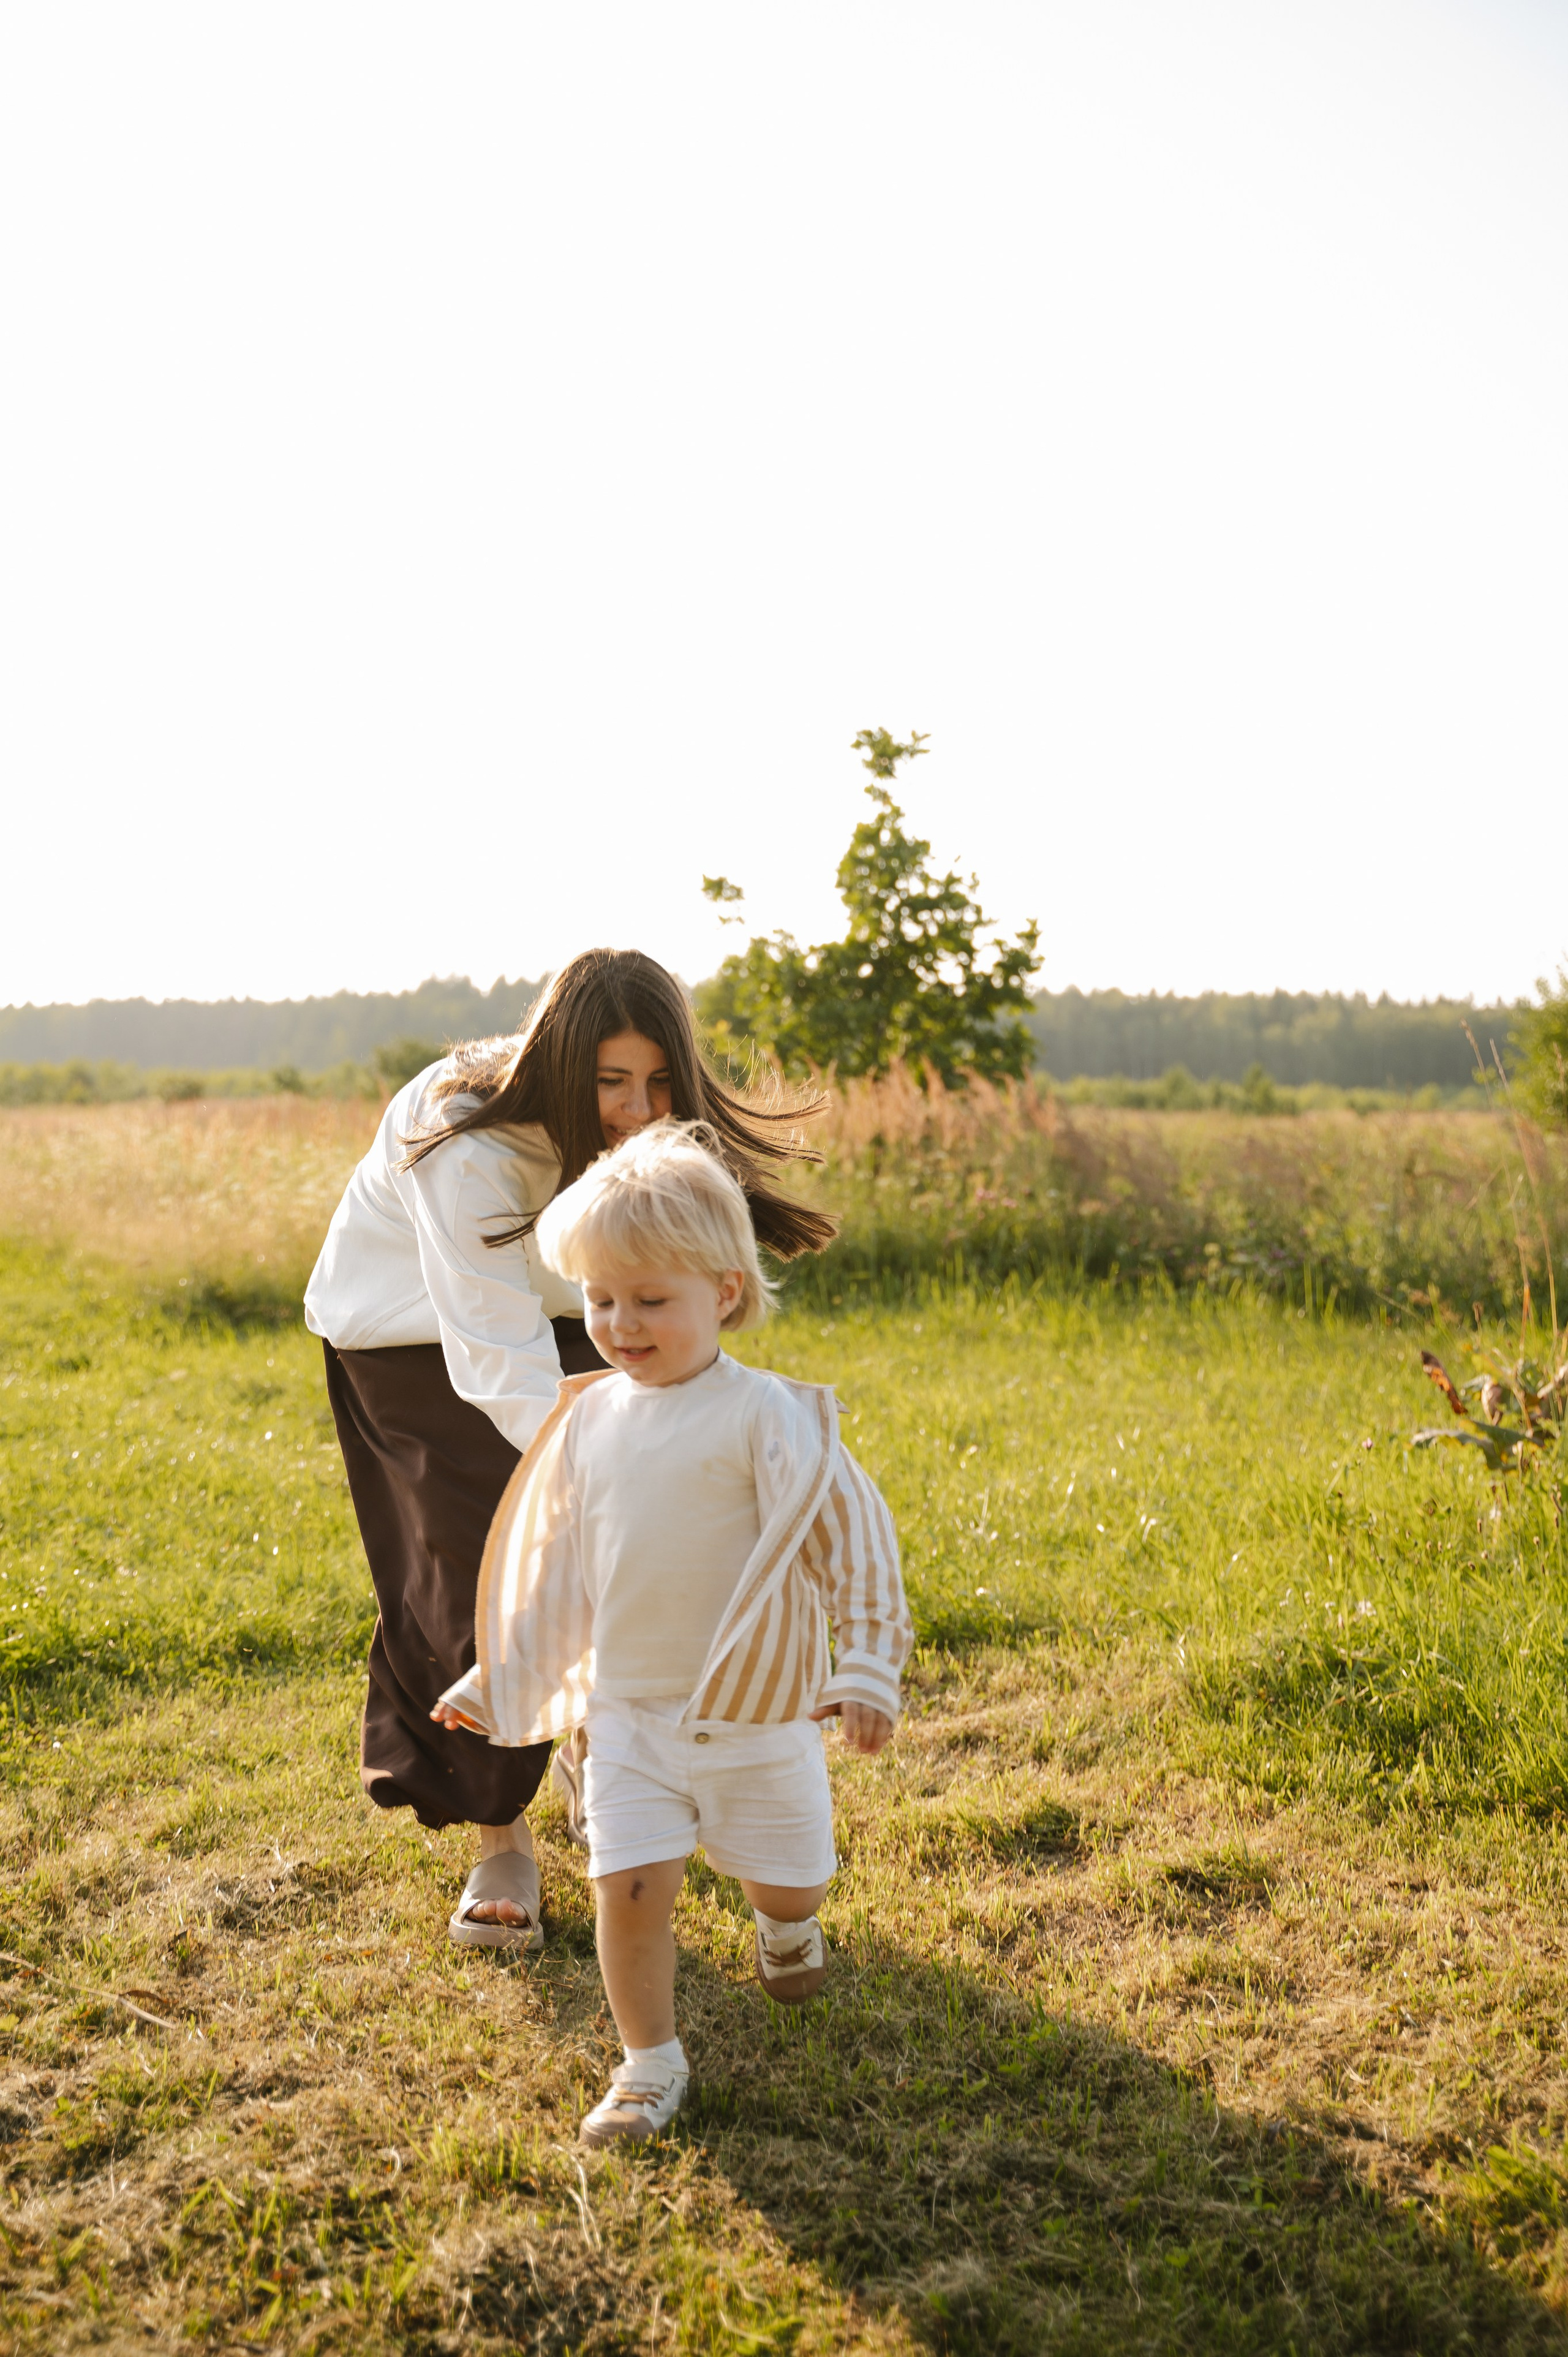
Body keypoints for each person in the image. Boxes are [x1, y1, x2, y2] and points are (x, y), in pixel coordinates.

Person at [304, 950, 834, 1953]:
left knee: (634, 1542)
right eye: (610, 1081)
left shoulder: (662, 1139)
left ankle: (606, 1748)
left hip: (584, 1313)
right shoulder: (460, 1134)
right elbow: (495, 1357)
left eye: (659, 1081)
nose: (638, 1109)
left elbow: (688, 1289)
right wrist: (607, 1467)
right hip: (410, 1335)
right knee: (479, 1560)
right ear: (559, 1063)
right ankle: (500, 1843)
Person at [431, 1121, 911, 2146]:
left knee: (791, 1880)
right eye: (601, 1299)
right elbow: (562, 1571)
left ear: (725, 1293)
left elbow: (855, 1539)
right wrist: (502, 1676)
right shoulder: (587, 1421)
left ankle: (785, 1922)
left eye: (651, 1300)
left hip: (757, 1720)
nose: (620, 1324)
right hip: (629, 1721)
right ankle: (649, 2064)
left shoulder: (768, 1418)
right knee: (630, 1888)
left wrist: (868, 1664)